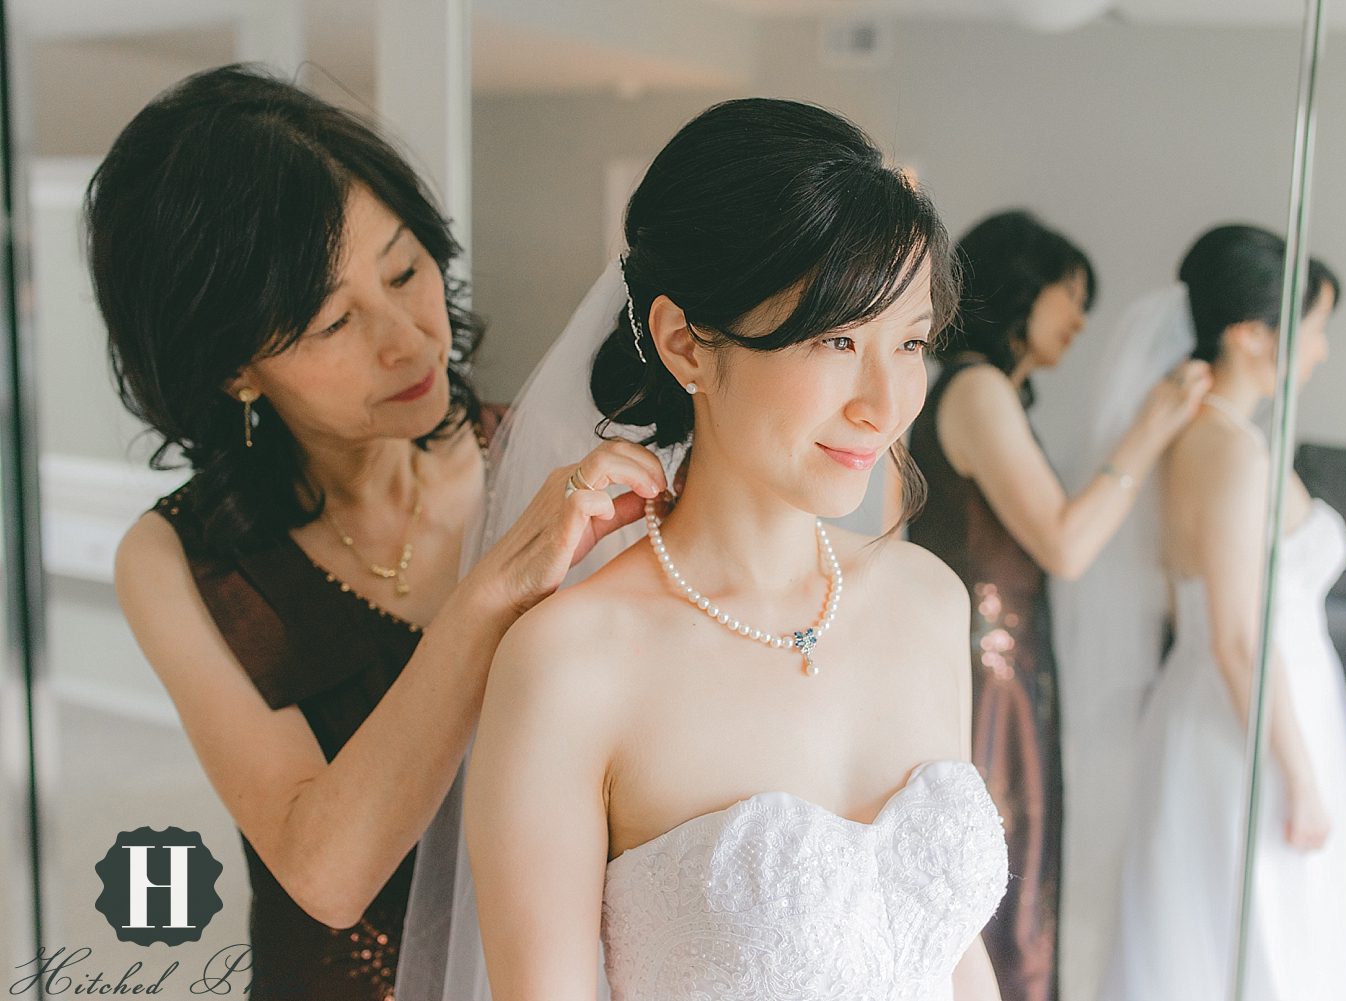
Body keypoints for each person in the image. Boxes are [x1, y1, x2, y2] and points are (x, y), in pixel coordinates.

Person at [91, 64, 665, 1000]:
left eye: (405, 270)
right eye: (331, 323)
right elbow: (326, 872)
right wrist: (492, 591)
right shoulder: (179, 559)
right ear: (235, 366)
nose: (408, 338)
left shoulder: (560, 461)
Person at [440, 98, 1009, 1000]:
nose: (883, 400)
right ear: (685, 344)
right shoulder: (571, 665)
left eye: (908, 341)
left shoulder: (926, 599)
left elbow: (948, 953)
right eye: (835, 339)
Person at [904, 210, 1210, 1001]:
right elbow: (1066, 544)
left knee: (1022, 869)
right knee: (997, 880)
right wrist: (1145, 432)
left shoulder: (991, 391)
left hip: (1007, 658)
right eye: (1067, 297)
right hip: (985, 668)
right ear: (1020, 291)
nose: (1078, 319)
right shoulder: (975, 388)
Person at [1100, 225, 1346, 999]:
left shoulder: (1215, 436)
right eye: (1316, 328)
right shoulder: (1229, 451)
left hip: (1245, 704)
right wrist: (1300, 775)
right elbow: (1235, 640)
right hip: (1244, 719)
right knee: (1256, 935)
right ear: (1252, 334)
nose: (1322, 349)